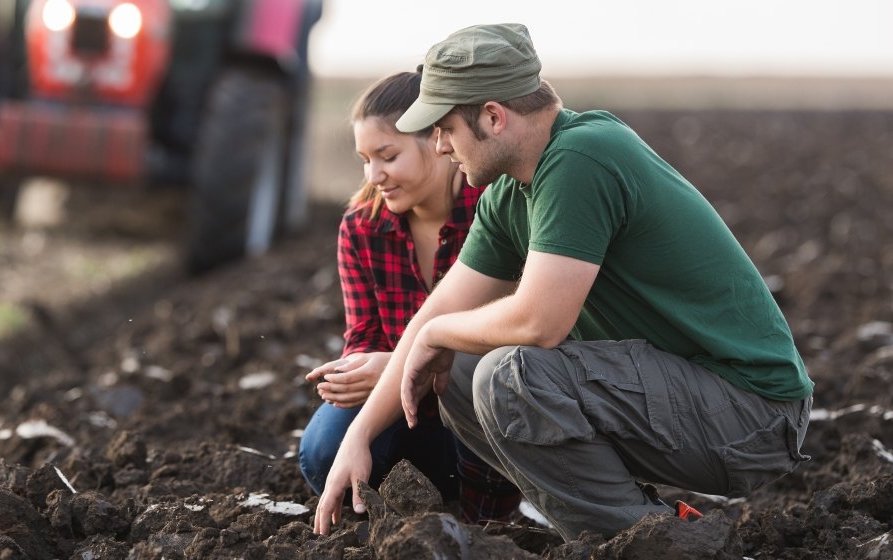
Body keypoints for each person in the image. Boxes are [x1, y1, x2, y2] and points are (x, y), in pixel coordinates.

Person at [314, 23, 814, 540]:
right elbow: (435, 315)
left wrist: (436, 335)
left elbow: (539, 322)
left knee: (510, 375)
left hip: (751, 414)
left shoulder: (582, 157)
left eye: (444, 129)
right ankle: (639, 529)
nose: (439, 147)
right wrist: (360, 436)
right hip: (681, 398)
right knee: (459, 373)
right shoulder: (509, 193)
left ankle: (661, 543)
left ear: (492, 117)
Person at [298, 71, 522, 524]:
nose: (373, 175)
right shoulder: (362, 226)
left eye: (388, 155)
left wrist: (406, 365)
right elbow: (363, 335)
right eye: (364, 159)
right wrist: (367, 368)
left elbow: (515, 333)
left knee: (482, 383)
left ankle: (486, 523)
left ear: (438, 140)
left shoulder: (494, 210)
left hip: (485, 412)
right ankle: (391, 516)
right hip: (403, 414)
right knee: (323, 448)